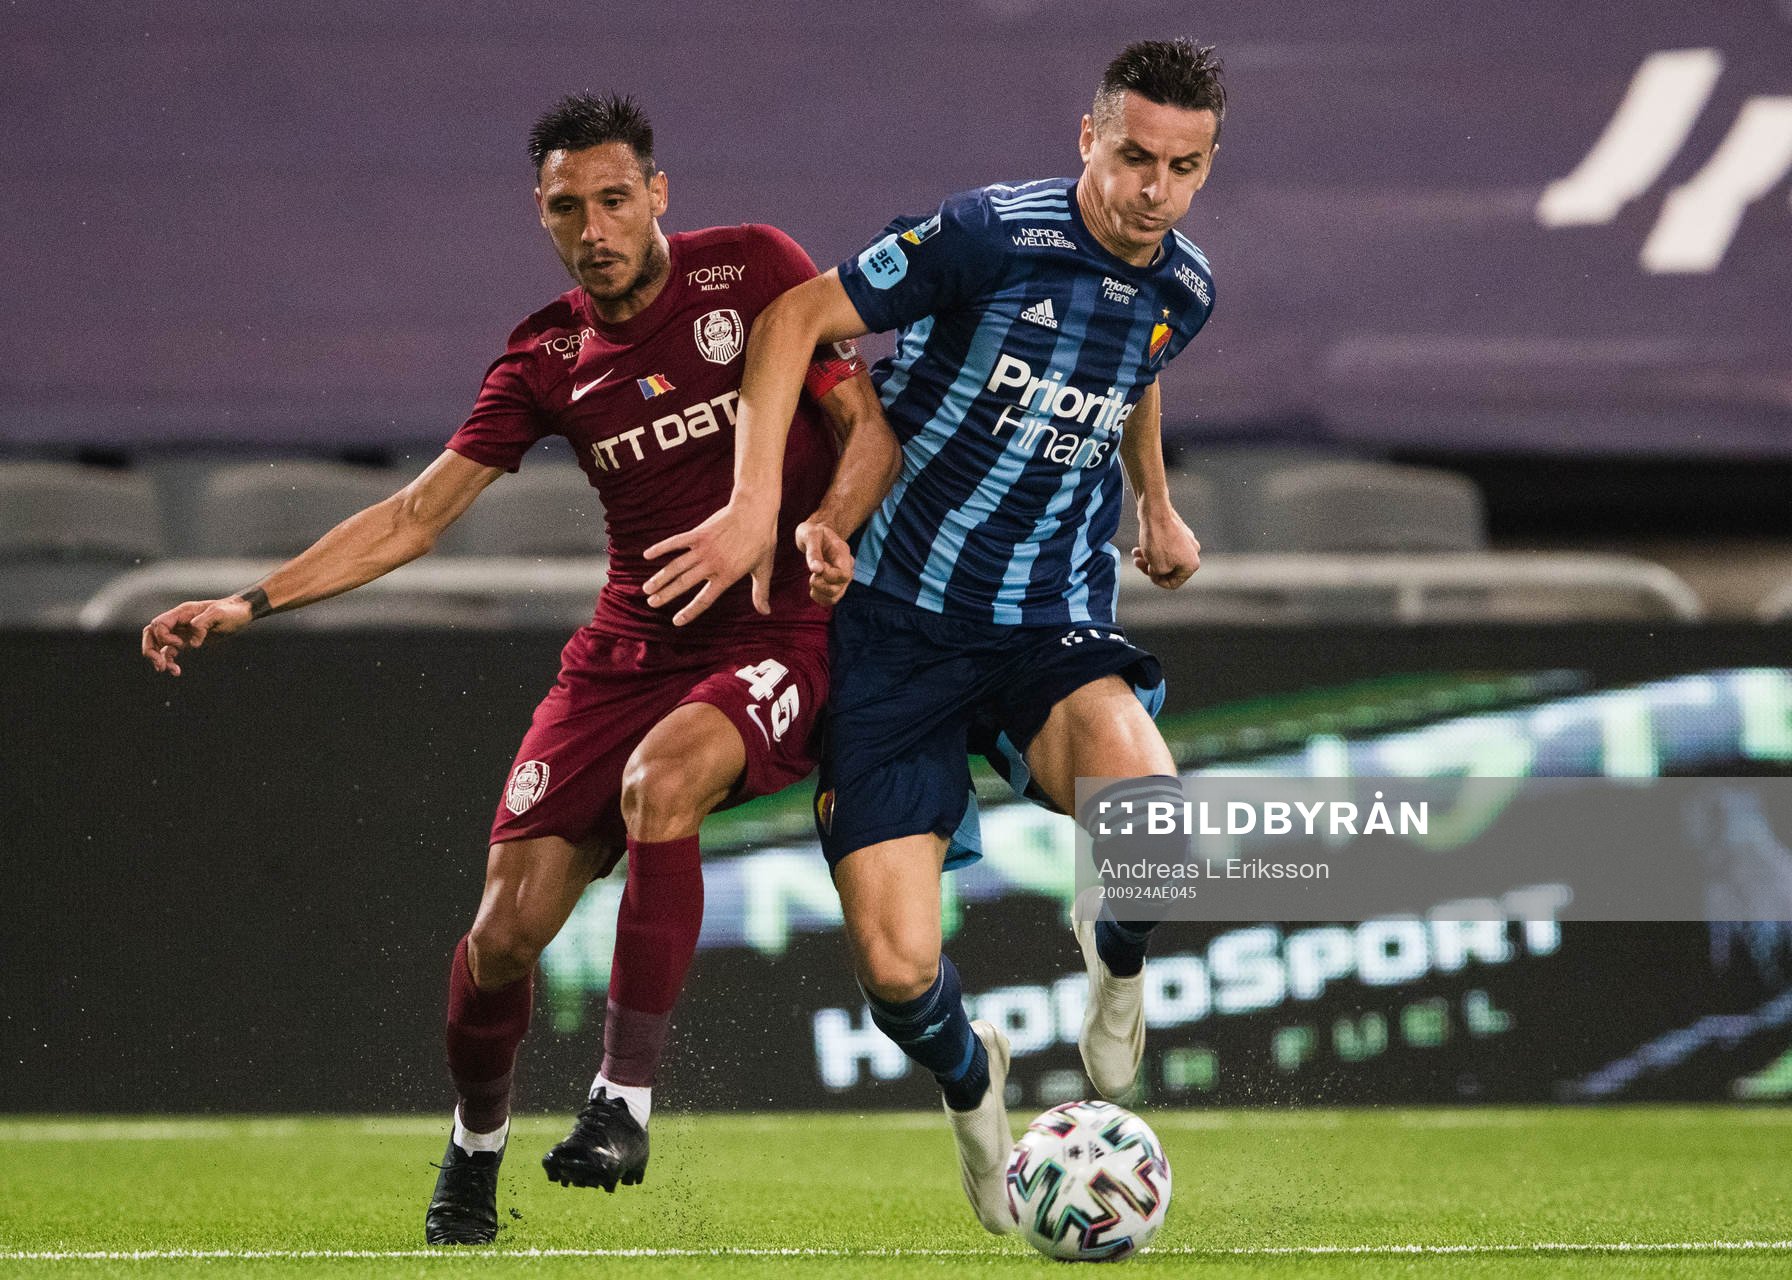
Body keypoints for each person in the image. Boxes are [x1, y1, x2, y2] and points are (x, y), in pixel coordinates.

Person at [140, 93, 898, 1245]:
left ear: (656, 192)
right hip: (621, 656)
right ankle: (474, 1149)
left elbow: (867, 433)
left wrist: (826, 528)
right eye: (565, 207)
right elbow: (413, 515)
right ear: (538, 215)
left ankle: (622, 1098)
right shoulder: (545, 354)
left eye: (612, 198)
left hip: (768, 634)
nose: (593, 226)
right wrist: (247, 600)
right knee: (499, 937)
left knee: (661, 784)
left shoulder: (752, 273)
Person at [641, 40, 1222, 1232]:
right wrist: (774, 507)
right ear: (1086, 138)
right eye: (1132, 157)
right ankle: (974, 1086)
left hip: (1047, 622)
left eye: (1183, 165)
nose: (1152, 188)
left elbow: (1132, 370)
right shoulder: (986, 236)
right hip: (891, 631)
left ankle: (1113, 961)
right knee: (901, 972)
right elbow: (797, 315)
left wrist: (1153, 500)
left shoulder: (1185, 288)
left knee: (1156, 826)